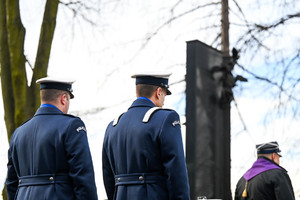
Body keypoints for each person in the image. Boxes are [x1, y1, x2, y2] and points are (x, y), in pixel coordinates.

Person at [6, 77, 98, 200]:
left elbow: (12, 183)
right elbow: (83, 178)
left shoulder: (18, 133)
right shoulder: (71, 126)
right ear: (64, 99)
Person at [102, 72, 190, 200]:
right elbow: (176, 173)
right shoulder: (165, 118)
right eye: (165, 94)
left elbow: (108, 177)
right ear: (158, 92)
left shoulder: (113, 126)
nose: (164, 100)